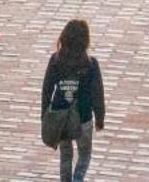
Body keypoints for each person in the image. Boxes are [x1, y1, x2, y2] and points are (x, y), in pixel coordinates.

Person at [42, 18, 106, 182]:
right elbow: (97, 94)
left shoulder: (55, 60)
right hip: (83, 115)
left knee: (65, 154)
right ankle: (78, 178)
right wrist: (100, 118)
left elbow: (47, 89)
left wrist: (44, 114)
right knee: (85, 154)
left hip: (60, 114)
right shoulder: (90, 64)